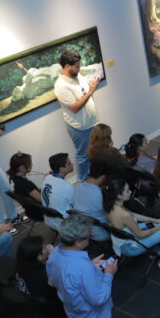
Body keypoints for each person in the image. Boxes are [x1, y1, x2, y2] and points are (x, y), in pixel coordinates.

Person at [46, 214, 117, 318]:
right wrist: (108, 275)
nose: (90, 238)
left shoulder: (55, 254)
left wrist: (91, 266)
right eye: (88, 236)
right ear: (78, 242)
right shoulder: (81, 268)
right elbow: (98, 299)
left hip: (75, 313)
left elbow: (51, 281)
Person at [103, 177, 160, 269]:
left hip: (126, 238)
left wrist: (155, 220)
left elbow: (133, 215)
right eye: (127, 191)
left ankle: (156, 251)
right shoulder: (123, 214)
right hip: (131, 247)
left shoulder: (112, 205)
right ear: (118, 195)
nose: (130, 192)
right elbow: (141, 235)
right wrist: (159, 227)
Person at [53, 50, 100, 182]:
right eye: (77, 66)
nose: (79, 68)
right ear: (67, 66)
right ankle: (82, 182)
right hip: (80, 128)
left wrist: (91, 86)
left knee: (94, 152)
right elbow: (74, 107)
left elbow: (83, 92)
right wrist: (90, 92)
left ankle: (94, 177)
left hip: (91, 123)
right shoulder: (61, 86)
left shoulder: (78, 76)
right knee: (83, 156)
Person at [13, 236, 63, 318]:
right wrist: (54, 254)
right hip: (53, 309)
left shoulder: (21, 264)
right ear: (39, 257)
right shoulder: (47, 274)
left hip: (29, 298)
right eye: (44, 247)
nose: (47, 247)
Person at [72, 159, 110, 242]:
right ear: (103, 177)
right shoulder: (100, 193)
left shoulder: (76, 187)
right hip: (103, 233)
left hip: (85, 232)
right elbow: (111, 215)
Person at [41, 153, 74, 231]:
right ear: (62, 168)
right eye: (69, 163)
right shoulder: (67, 187)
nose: (73, 164)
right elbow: (77, 207)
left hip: (49, 221)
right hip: (64, 224)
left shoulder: (47, 178)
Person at [7, 152, 43, 221]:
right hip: (40, 212)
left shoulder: (13, 178)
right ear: (22, 167)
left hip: (29, 211)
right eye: (30, 163)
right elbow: (42, 200)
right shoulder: (25, 183)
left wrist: (41, 189)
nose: (31, 165)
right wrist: (47, 181)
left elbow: (27, 192)